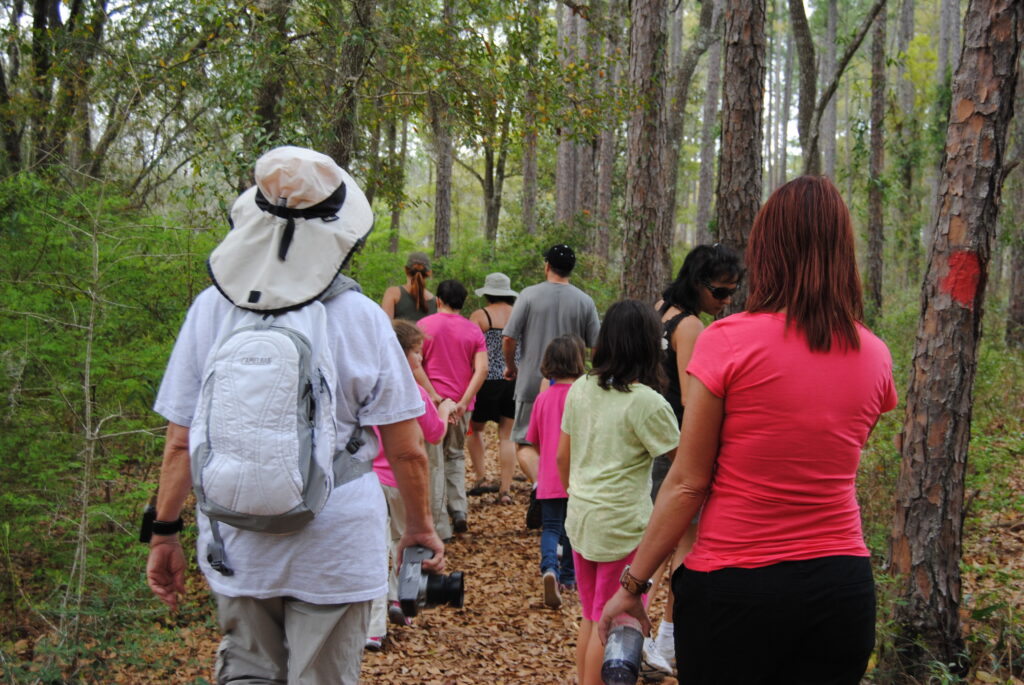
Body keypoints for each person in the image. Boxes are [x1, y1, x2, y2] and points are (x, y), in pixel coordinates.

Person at [146, 146, 444, 685]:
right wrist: (419, 528)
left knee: (249, 672)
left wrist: (164, 531)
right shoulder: (360, 317)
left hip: (236, 540)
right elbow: (407, 449)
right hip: (337, 542)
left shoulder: (211, 310)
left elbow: (179, 441)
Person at [598, 176, 899, 685]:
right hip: (842, 587)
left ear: (768, 249)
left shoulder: (728, 342)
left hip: (734, 589)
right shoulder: (875, 355)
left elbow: (690, 481)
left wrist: (633, 582)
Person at [557, 300, 680, 685]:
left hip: (581, 519)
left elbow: (563, 456)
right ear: (649, 346)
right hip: (622, 527)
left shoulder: (581, 387)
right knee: (612, 623)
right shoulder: (648, 403)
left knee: (593, 615)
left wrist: (579, 495)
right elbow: (687, 465)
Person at [643, 242, 743, 676]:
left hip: (647, 442)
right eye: (720, 293)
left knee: (652, 543)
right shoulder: (691, 329)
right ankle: (663, 639)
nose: (726, 302)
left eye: (732, 293)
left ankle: (640, 636)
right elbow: (690, 396)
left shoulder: (658, 310)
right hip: (680, 447)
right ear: (697, 283)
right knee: (682, 546)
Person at [366, 320, 456, 651]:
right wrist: (445, 408)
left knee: (377, 548)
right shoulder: (412, 392)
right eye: (418, 353)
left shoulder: (365, 387)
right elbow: (434, 433)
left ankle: (374, 626)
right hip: (401, 483)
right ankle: (402, 601)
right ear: (406, 355)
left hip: (368, 481)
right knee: (406, 544)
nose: (421, 360)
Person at [503, 244, 601, 486]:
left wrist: (511, 367)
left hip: (531, 382)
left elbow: (508, 338)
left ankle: (541, 486)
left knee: (525, 443)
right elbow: (597, 345)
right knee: (570, 441)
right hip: (574, 387)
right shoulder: (585, 301)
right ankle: (565, 491)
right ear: (571, 269)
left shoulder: (528, 295)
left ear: (547, 266)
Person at [418, 279, 488, 538]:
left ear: (438, 300)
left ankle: (440, 524)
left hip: (433, 406)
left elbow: (415, 365)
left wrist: (435, 397)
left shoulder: (424, 327)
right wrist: (462, 402)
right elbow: (482, 369)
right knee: (455, 455)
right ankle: (459, 509)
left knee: (435, 460)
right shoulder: (473, 331)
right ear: (463, 302)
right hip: (462, 405)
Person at [528, 335, 587, 610]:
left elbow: (534, 439)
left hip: (550, 474)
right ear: (578, 361)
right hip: (578, 475)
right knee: (573, 528)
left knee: (551, 527)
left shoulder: (542, 399)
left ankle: (549, 569)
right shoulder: (584, 397)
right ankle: (569, 578)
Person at [466, 272, 520, 504]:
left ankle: (481, 478)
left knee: (474, 428)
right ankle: (505, 490)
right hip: (514, 379)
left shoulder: (480, 315)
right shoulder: (518, 314)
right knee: (507, 436)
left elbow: (467, 346)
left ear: (487, 293)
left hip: (486, 380)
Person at [380, 252, 437, 322]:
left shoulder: (393, 293)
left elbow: (385, 326)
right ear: (429, 273)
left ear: (405, 269)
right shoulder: (436, 302)